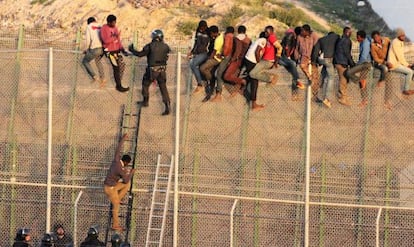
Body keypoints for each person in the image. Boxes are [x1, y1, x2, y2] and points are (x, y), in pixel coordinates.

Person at [128, 29, 172, 115]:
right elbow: (166, 56)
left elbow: (140, 54)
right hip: (162, 70)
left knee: (145, 83)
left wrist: (132, 49)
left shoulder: (149, 46)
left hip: (152, 70)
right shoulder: (166, 46)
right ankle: (167, 107)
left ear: (153, 37)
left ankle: (145, 101)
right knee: (163, 88)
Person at [104, 133, 135, 231]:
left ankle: (118, 198)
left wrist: (123, 139)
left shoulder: (116, 160)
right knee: (116, 205)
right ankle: (115, 225)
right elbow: (125, 179)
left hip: (112, 185)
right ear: (126, 162)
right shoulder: (120, 169)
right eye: (128, 164)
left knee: (127, 185)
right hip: (110, 189)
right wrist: (131, 173)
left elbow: (118, 149)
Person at [100, 14, 129, 92]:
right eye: (113, 22)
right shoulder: (104, 28)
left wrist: (122, 49)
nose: (114, 24)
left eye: (115, 22)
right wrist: (115, 37)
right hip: (108, 51)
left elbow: (118, 40)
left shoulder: (115, 28)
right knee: (116, 67)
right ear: (108, 22)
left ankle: (119, 82)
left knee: (121, 66)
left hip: (116, 50)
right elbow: (106, 41)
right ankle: (119, 86)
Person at [311, 31, 340, 108]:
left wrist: (314, 62)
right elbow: (339, 49)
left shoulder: (321, 39)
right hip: (329, 59)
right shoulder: (337, 37)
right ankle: (327, 99)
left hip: (321, 59)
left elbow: (315, 51)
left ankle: (317, 95)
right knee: (331, 77)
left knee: (324, 76)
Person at [344, 30, 372, 107]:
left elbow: (363, 57)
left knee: (348, 72)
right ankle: (364, 100)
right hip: (364, 64)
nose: (357, 39)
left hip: (365, 64)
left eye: (358, 37)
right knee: (362, 83)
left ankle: (359, 80)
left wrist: (356, 64)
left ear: (361, 37)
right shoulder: (362, 42)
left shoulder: (366, 44)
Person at [223, 25, 251, 94]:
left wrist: (232, 59)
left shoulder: (236, 39)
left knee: (226, 76)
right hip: (244, 61)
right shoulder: (248, 40)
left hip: (236, 60)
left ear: (238, 31)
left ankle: (243, 81)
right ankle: (237, 89)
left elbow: (237, 51)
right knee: (235, 75)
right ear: (245, 31)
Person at [243, 31, 267, 111]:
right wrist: (258, 62)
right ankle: (254, 104)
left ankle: (240, 85)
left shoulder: (257, 40)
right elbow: (257, 51)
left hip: (247, 59)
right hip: (251, 60)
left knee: (251, 77)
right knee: (254, 80)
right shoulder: (263, 40)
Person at [279, 27, 304, 101]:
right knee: (294, 71)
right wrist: (288, 57)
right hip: (284, 57)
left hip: (286, 57)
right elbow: (286, 47)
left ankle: (295, 94)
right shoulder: (291, 35)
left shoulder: (293, 36)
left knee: (294, 75)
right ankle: (296, 89)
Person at [387, 28, 414, 96]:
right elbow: (399, 56)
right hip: (393, 65)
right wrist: (407, 65)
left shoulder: (400, 42)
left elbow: (401, 55)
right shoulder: (395, 42)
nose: (403, 37)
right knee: (410, 72)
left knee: (410, 70)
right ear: (398, 36)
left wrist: (407, 65)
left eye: (404, 35)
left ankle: (406, 87)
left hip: (398, 64)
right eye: (402, 36)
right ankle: (405, 90)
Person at [211, 26, 234, 102]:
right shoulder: (233, 37)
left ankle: (218, 95)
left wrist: (222, 55)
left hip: (226, 57)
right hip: (230, 57)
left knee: (219, 74)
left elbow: (227, 47)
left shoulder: (227, 36)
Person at [199, 25, 222, 102]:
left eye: (211, 34)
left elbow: (214, 52)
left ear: (213, 33)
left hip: (216, 59)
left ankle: (210, 82)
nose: (210, 35)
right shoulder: (218, 37)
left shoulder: (218, 40)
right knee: (207, 70)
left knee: (202, 68)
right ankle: (209, 92)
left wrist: (208, 59)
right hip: (216, 58)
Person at [295, 24, 319, 96]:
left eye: (302, 30)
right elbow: (297, 48)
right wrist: (297, 57)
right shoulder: (299, 37)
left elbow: (317, 46)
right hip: (304, 57)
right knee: (302, 66)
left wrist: (314, 58)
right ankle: (309, 78)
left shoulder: (313, 36)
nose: (301, 32)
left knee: (315, 76)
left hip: (312, 58)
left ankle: (315, 95)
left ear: (306, 31)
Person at [334, 26, 355, 106]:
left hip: (338, 61)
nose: (350, 34)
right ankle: (343, 98)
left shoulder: (340, 40)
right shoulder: (347, 41)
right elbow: (347, 53)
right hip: (342, 62)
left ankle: (343, 96)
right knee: (343, 80)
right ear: (346, 32)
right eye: (349, 32)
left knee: (343, 79)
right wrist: (352, 63)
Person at [371, 30, 392, 108]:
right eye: (374, 38)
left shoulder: (386, 40)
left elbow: (391, 48)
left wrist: (390, 60)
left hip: (388, 61)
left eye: (376, 37)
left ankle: (387, 101)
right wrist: (385, 62)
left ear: (379, 36)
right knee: (385, 69)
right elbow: (375, 58)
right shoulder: (373, 45)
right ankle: (381, 80)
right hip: (379, 63)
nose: (376, 39)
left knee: (389, 84)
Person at [82, 16, 105, 87]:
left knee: (85, 61)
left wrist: (86, 49)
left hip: (95, 48)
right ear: (95, 20)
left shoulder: (89, 27)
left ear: (88, 22)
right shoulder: (100, 25)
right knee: (98, 61)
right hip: (103, 49)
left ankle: (94, 76)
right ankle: (103, 78)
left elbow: (88, 40)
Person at [188, 20, 210, 94]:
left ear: (206, 27)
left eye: (203, 28)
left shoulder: (208, 32)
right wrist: (192, 52)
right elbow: (196, 43)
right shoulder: (198, 31)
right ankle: (201, 83)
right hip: (197, 52)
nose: (201, 29)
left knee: (193, 64)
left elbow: (207, 44)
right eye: (200, 28)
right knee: (194, 65)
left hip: (204, 53)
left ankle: (200, 84)